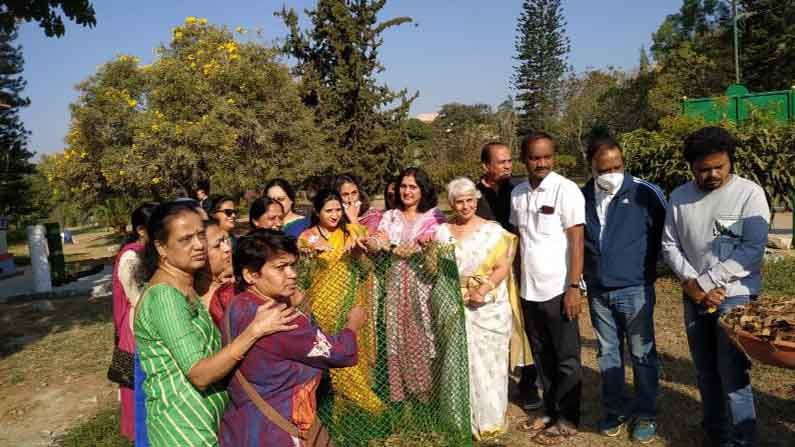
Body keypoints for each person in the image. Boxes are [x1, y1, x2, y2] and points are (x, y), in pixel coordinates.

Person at [134, 201, 299, 447]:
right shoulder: (164, 297)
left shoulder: (185, 287)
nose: (199, 245)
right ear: (161, 247)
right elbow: (200, 374)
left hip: (206, 423)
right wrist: (255, 330)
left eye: (200, 235)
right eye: (185, 239)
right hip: (185, 430)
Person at [662, 126, 769, 447]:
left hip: (735, 297)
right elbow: (670, 245)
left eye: (718, 167)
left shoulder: (749, 194)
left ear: (729, 161)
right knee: (705, 369)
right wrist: (692, 285)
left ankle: (742, 438)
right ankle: (716, 431)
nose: (711, 175)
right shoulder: (680, 197)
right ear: (691, 168)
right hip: (694, 295)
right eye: (703, 169)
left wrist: (707, 283)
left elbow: (751, 249)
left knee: (733, 372)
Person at [219, 229, 366, 446]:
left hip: (241, 427)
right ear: (251, 274)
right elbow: (343, 354)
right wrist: (352, 325)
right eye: (280, 267)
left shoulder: (238, 304)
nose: (292, 274)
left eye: (292, 265)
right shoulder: (280, 320)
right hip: (277, 432)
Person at [581, 135, 666, 443]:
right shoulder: (582, 195)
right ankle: (614, 409)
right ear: (592, 167)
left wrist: (645, 270)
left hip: (635, 289)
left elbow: (663, 234)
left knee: (642, 353)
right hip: (598, 291)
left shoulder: (646, 192)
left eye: (617, 166)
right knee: (607, 352)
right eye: (604, 169)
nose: (611, 174)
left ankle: (646, 412)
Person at [510, 132, 585, 445]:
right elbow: (517, 241)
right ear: (524, 158)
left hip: (558, 288)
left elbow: (577, 240)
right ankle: (549, 410)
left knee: (566, 357)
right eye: (534, 157)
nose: (540, 163)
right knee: (541, 355)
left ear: (554, 156)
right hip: (529, 289)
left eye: (546, 157)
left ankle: (567, 418)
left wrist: (573, 286)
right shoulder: (518, 193)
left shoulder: (566, 190)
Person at [435, 177, 517, 440]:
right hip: (453, 303)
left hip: (486, 306)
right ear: (451, 204)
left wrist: (483, 290)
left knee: (488, 364)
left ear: (476, 200)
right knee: (456, 361)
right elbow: (435, 269)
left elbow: (503, 266)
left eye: (470, 200)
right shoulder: (442, 232)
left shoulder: (492, 231)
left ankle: (489, 420)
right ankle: (459, 421)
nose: (465, 206)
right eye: (459, 201)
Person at [297, 189, 383, 413]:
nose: (335, 215)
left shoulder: (350, 234)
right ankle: (339, 412)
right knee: (331, 353)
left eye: (338, 210)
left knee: (353, 352)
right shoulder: (306, 238)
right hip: (322, 305)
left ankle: (368, 407)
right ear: (317, 211)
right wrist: (311, 255)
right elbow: (303, 278)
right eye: (329, 210)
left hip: (349, 303)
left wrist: (356, 254)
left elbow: (366, 268)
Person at [365, 167, 446, 402]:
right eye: (403, 186)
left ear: (422, 190)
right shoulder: (390, 217)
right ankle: (402, 399)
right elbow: (376, 242)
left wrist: (424, 248)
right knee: (396, 338)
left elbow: (441, 246)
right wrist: (380, 244)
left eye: (413, 187)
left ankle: (427, 397)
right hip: (395, 287)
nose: (407, 191)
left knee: (424, 335)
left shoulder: (435, 216)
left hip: (424, 287)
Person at [475, 141, 540, 411]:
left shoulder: (519, 190)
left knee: (526, 328)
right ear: (485, 166)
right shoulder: (473, 196)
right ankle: (493, 386)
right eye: (500, 161)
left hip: (521, 270)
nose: (507, 165)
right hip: (488, 276)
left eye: (509, 160)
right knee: (493, 331)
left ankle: (528, 385)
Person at [112, 202, 157, 441]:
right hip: (134, 330)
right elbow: (136, 298)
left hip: (141, 325)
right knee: (137, 391)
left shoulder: (147, 252)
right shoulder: (131, 256)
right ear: (141, 230)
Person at [193, 217, 236, 327]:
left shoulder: (236, 284)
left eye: (225, 241)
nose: (227, 248)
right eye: (217, 245)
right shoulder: (196, 301)